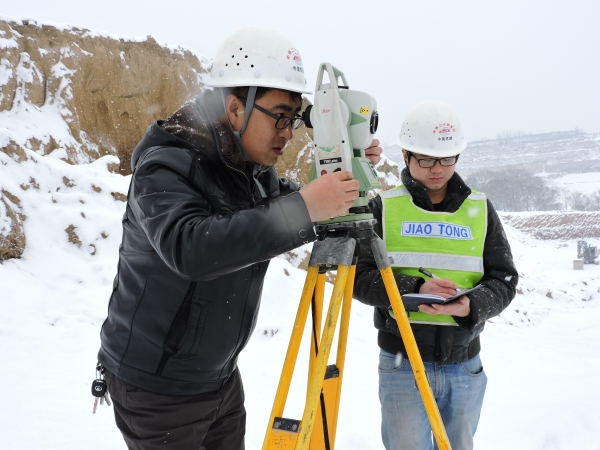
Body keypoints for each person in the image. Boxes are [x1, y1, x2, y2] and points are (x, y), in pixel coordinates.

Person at [96, 26, 382, 450]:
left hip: (221, 379)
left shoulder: (251, 170)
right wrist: (306, 207)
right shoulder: (167, 164)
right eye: (280, 116)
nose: (288, 131)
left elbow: (293, 207)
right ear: (235, 108)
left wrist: (346, 177)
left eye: (294, 119)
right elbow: (190, 248)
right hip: (157, 389)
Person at [353, 100, 518, 450]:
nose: (437, 169)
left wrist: (469, 305)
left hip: (465, 363)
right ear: (408, 156)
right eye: (426, 159)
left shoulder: (479, 208)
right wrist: (414, 288)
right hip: (401, 366)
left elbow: (503, 279)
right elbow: (359, 277)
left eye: (446, 159)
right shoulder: (385, 207)